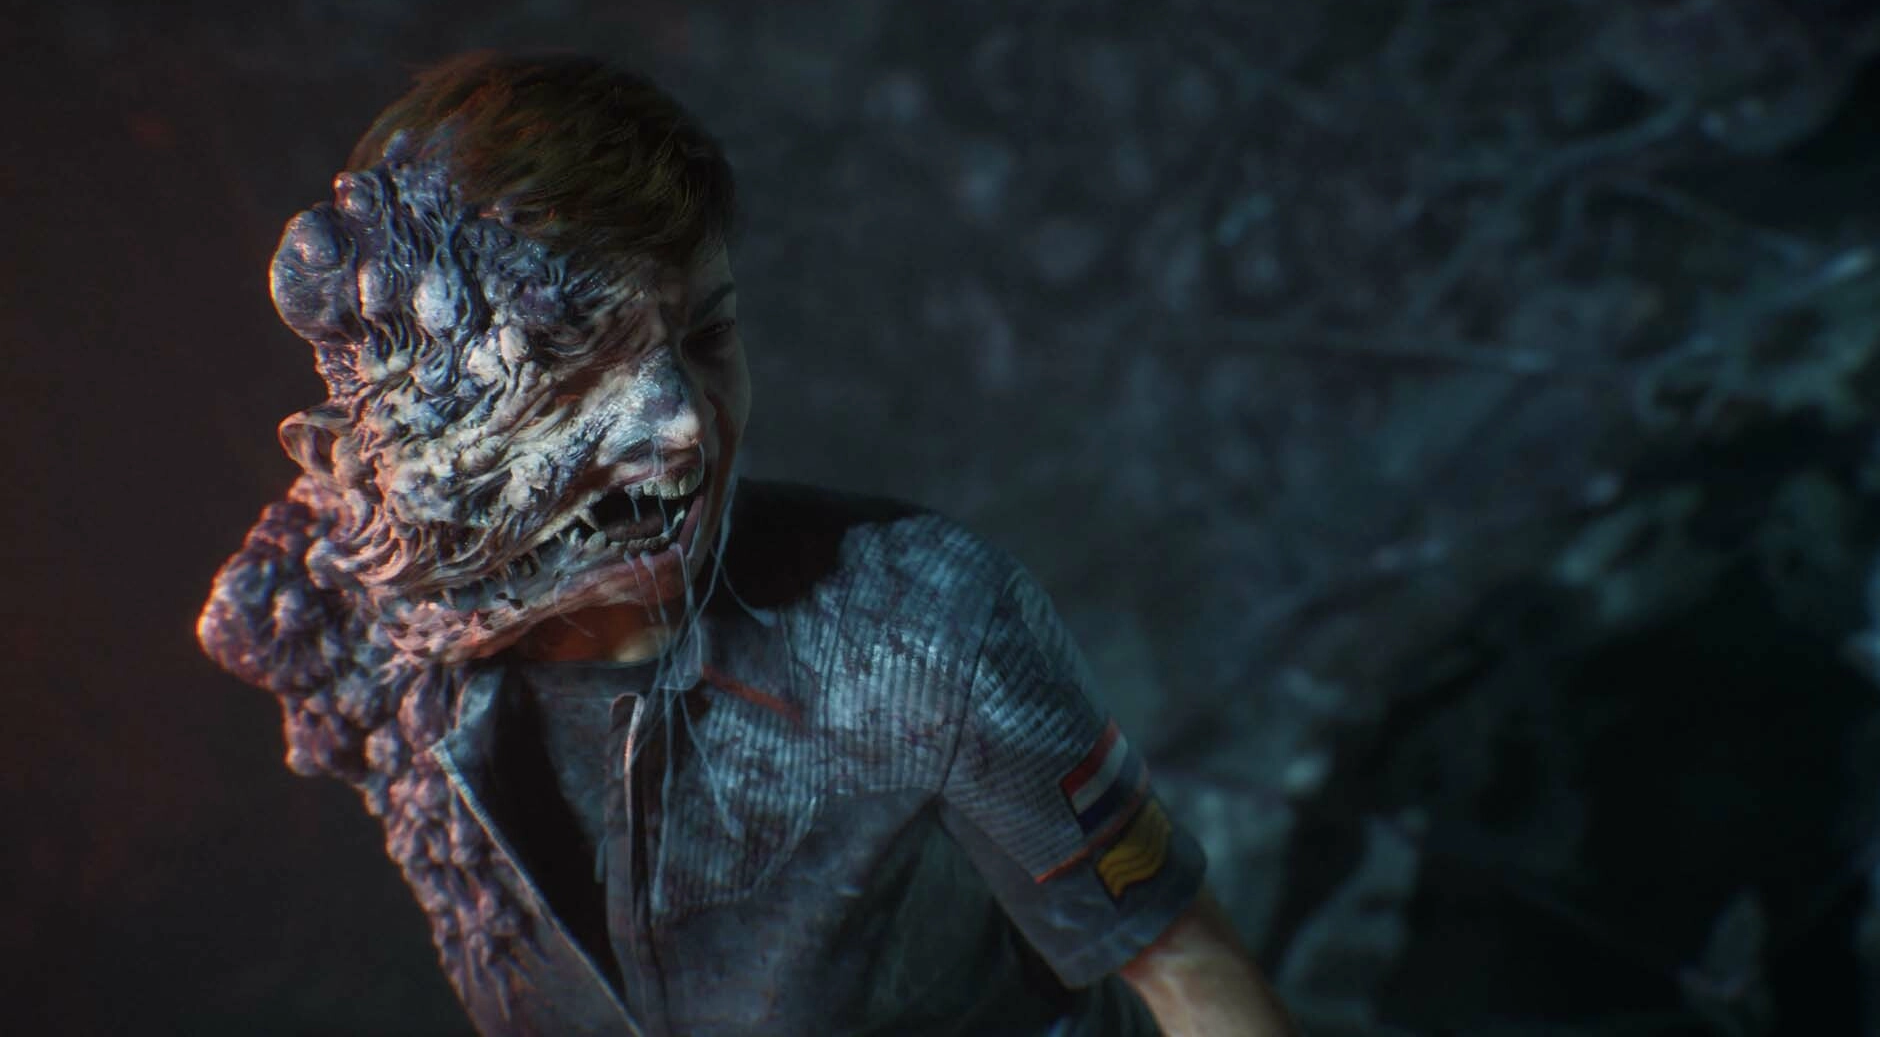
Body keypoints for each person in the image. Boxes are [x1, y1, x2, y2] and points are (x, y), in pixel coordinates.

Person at [198, 52, 1298, 1037]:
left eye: (708, 334)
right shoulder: (371, 655)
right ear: (418, 415)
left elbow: (1184, 967)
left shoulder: (929, 628)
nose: (684, 421)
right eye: (578, 367)